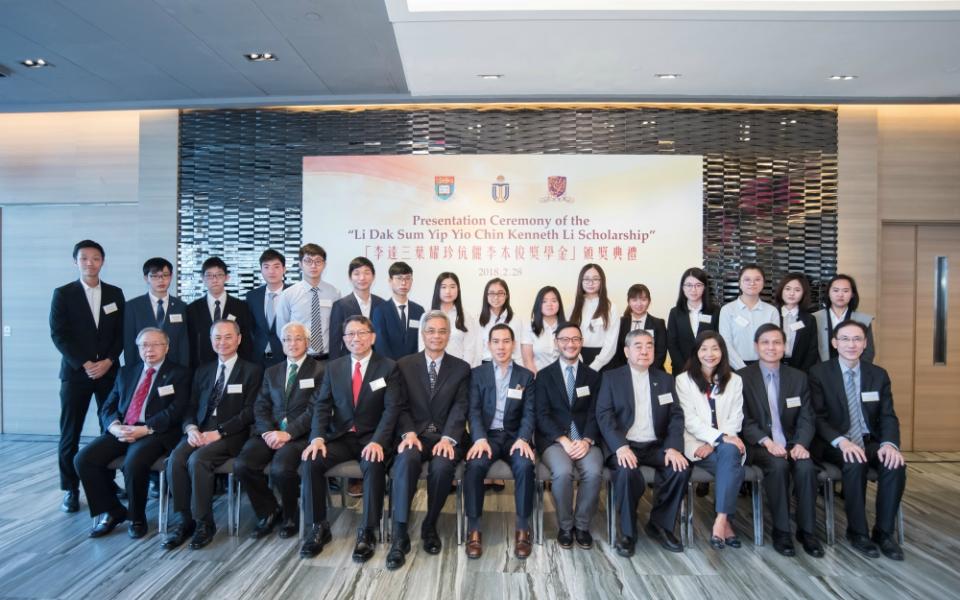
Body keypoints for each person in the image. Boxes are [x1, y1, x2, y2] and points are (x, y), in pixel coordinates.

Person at [299, 316, 401, 562]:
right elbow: (322, 406)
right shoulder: (334, 368)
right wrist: (317, 438)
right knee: (311, 461)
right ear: (344, 340)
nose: (356, 338)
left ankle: (368, 530)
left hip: (373, 438)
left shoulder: (388, 367)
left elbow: (392, 409)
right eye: (350, 334)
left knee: (374, 466)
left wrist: (378, 441)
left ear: (372, 337)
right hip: (342, 436)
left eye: (361, 333)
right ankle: (318, 527)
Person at [75, 328, 190, 538]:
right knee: (84, 459)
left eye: (155, 344)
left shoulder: (179, 373)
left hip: (154, 432)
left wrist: (145, 429)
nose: (149, 349)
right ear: (138, 348)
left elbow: (176, 409)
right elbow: (108, 406)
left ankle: (137, 517)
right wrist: (114, 426)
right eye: (144, 345)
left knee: (134, 462)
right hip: (123, 429)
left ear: (166, 347)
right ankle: (113, 510)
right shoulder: (126, 372)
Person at [162, 320, 263, 550]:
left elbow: (250, 412)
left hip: (232, 433)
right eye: (217, 337)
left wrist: (219, 432)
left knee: (199, 460)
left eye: (228, 337)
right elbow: (190, 406)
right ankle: (183, 520)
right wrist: (190, 428)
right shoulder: (203, 370)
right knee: (176, 459)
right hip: (200, 429)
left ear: (239, 339)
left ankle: (204, 523)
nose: (222, 342)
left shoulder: (253, 370)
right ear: (211, 341)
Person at [809, 320, 905, 561]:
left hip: (869, 440)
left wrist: (889, 444)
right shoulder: (819, 373)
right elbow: (818, 418)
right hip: (835, 442)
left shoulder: (878, 375)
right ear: (834, 343)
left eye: (856, 339)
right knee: (854, 462)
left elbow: (887, 415)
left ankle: (883, 532)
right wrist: (841, 441)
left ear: (865, 343)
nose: (851, 344)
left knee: (895, 463)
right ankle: (857, 531)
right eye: (845, 339)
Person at [386, 310, 471, 569]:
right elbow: (398, 405)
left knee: (443, 467)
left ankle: (430, 524)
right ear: (423, 334)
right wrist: (408, 432)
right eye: (431, 331)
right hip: (415, 434)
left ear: (448, 335)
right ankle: (400, 534)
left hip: (446, 435)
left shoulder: (461, 367)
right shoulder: (403, 364)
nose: (436, 336)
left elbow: (461, 407)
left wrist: (449, 437)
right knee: (406, 462)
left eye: (442, 331)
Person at [596, 329, 690, 556]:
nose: (645, 350)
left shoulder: (665, 379)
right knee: (628, 472)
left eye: (649, 345)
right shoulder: (612, 378)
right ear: (627, 351)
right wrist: (620, 446)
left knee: (679, 468)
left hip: (656, 444)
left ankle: (660, 524)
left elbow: (676, 416)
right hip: (625, 444)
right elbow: (604, 415)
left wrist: (673, 447)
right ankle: (628, 533)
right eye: (638, 346)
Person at [49, 240, 126, 513]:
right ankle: (70, 488)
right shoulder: (63, 294)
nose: (90, 263)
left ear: (102, 261)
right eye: (84, 258)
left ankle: (107, 481)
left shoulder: (115, 294)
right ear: (76, 262)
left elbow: (121, 334)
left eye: (95, 258)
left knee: (110, 429)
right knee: (70, 432)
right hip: (76, 374)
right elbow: (59, 334)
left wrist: (108, 361)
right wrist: (84, 363)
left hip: (108, 373)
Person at [234, 322, 324, 540]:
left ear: (307, 342)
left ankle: (290, 516)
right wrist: (267, 432)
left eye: (298, 338)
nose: (292, 344)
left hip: (300, 435)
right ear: (281, 343)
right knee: (243, 465)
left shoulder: (321, 370)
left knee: (281, 469)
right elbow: (261, 405)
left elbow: (316, 408)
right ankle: (268, 511)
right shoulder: (272, 371)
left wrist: (289, 433)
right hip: (269, 433)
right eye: (287, 339)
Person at [739, 323, 823, 558]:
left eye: (777, 342)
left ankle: (807, 532)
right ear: (756, 347)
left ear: (784, 347)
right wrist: (767, 442)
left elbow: (807, 417)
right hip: (760, 445)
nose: (771, 347)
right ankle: (782, 530)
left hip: (792, 443)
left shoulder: (798, 377)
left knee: (806, 469)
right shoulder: (742, 378)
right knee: (778, 466)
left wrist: (801, 444)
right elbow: (744, 420)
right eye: (765, 342)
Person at [463, 324, 537, 559]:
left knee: (525, 466)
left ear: (513, 345)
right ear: (489, 345)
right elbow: (473, 411)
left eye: (506, 341)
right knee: (474, 466)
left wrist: (524, 438)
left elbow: (530, 412)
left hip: (516, 437)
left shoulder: (525, 376)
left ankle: (523, 529)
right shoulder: (477, 374)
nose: (501, 346)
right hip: (488, 437)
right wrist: (479, 438)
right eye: (496, 341)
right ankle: (474, 529)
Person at [535, 323, 603, 549]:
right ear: (556, 343)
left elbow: (596, 413)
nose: (570, 344)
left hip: (586, 440)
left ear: (581, 342)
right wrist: (562, 439)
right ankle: (565, 526)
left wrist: (586, 440)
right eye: (564, 339)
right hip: (555, 441)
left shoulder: (593, 376)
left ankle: (581, 526)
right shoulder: (544, 376)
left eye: (575, 339)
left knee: (593, 472)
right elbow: (541, 414)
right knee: (563, 473)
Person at [675, 331, 746, 550]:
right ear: (696, 352)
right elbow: (690, 420)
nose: (710, 354)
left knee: (729, 454)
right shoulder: (683, 380)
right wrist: (717, 439)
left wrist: (715, 442)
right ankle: (726, 525)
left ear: (722, 352)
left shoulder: (735, 380)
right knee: (733, 467)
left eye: (715, 348)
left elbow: (736, 417)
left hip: (723, 444)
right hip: (695, 445)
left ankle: (720, 520)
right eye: (704, 348)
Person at [275, 243, 341, 361]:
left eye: (318, 261)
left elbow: (337, 327)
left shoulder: (334, 293)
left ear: (324, 265)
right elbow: (282, 328)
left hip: (327, 358)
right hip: (300, 358)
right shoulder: (288, 294)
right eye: (308, 261)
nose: (313, 266)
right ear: (300, 264)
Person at [186, 256, 254, 368]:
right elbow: (190, 343)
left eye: (219, 275)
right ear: (202, 278)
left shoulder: (241, 307)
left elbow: (246, 341)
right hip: (202, 368)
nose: (214, 279)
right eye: (209, 275)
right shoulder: (192, 309)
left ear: (226, 277)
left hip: (235, 367)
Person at [123, 257, 189, 369]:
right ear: (146, 278)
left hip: (174, 369)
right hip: (143, 367)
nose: (161, 280)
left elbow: (184, 344)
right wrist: (131, 371)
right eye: (154, 276)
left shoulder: (181, 307)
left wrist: (184, 370)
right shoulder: (133, 306)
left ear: (171, 277)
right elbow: (129, 344)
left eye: (165, 275)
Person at [719, 264, 780, 370]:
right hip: (733, 367)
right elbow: (725, 343)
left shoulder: (772, 311)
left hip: (765, 367)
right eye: (747, 279)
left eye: (757, 279)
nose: (752, 283)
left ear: (763, 283)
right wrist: (743, 368)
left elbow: (773, 342)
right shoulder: (727, 310)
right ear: (740, 283)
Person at [329, 256, 386, 360]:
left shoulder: (383, 305)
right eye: (357, 273)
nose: (362, 278)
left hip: (377, 362)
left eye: (366, 273)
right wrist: (335, 368)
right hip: (349, 362)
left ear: (373, 276)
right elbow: (335, 342)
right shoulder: (340, 305)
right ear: (350, 277)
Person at [420, 272, 481, 367]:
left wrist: (463, 371)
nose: (448, 291)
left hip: (458, 370)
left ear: (458, 289)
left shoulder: (466, 317)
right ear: (437, 290)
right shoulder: (426, 316)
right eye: (443, 287)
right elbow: (422, 347)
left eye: (452, 287)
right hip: (432, 369)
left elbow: (470, 349)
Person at [666, 267, 720, 374]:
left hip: (709, 368)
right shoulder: (675, 313)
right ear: (683, 287)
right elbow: (672, 343)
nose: (693, 289)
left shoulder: (715, 311)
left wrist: (707, 365)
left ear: (705, 287)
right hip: (681, 370)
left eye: (698, 285)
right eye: (689, 285)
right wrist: (685, 368)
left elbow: (718, 341)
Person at [813, 274, 876, 364]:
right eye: (836, 290)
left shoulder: (863, 319)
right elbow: (810, 351)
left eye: (845, 291)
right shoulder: (814, 318)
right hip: (820, 372)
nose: (840, 295)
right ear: (828, 293)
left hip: (853, 373)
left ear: (852, 294)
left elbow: (868, 352)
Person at [246, 248, 290, 368]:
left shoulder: (293, 293)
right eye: (266, 267)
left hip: (285, 356)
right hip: (258, 358)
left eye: (276, 266)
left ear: (284, 269)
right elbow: (250, 328)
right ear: (261, 270)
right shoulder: (252, 296)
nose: (271, 271)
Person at [569, 263, 619, 371]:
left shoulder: (611, 307)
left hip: (604, 359)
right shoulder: (573, 307)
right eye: (586, 279)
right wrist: (578, 359)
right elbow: (569, 335)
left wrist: (597, 364)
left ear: (602, 282)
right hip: (577, 357)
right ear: (580, 281)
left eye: (595, 279)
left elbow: (611, 341)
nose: (590, 283)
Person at [371, 261, 424, 360]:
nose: (403, 283)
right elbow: (380, 344)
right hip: (389, 368)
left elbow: (421, 342)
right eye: (399, 278)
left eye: (407, 278)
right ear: (390, 281)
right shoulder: (380, 311)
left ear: (412, 281)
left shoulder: (419, 311)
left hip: (414, 367)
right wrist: (392, 368)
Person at [608, 284, 667, 371]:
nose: (639, 304)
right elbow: (616, 351)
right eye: (634, 300)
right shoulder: (620, 323)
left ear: (649, 301)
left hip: (652, 371)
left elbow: (661, 353)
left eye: (643, 300)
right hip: (625, 371)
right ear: (629, 301)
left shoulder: (658, 323)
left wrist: (647, 372)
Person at [772, 273, 819, 372]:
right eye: (788, 289)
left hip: (799, 370)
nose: (791, 293)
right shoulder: (771, 314)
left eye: (797, 290)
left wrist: (803, 373)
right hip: (773, 366)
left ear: (803, 293)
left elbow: (812, 351)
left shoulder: (809, 319)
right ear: (781, 290)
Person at [521, 286, 566, 374]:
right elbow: (527, 360)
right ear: (538, 304)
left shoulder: (567, 328)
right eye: (544, 301)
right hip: (538, 378)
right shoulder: (529, 328)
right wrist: (539, 380)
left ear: (559, 304)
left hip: (564, 378)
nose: (549, 304)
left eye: (554, 301)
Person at [478, 278, 523, 363]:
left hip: (510, 365)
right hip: (486, 365)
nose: (496, 297)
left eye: (500, 293)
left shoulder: (516, 320)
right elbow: (476, 352)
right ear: (486, 296)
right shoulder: (477, 320)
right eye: (491, 293)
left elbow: (518, 353)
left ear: (507, 295)